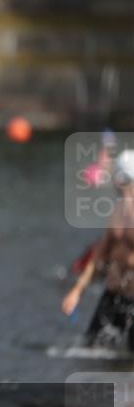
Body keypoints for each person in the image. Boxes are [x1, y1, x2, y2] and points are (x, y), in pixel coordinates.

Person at [62, 150, 134, 352]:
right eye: (119, 180)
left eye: (126, 181)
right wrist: (77, 291)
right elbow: (99, 257)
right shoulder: (116, 212)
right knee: (91, 352)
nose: (120, 186)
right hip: (112, 297)